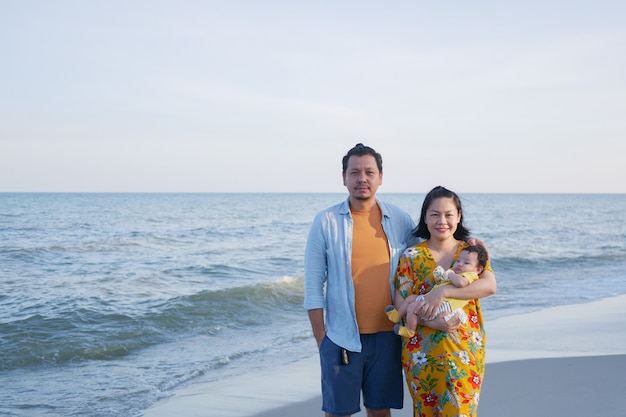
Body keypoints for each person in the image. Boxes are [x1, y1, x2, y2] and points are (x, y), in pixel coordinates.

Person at [305, 143, 431, 417]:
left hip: (387, 336)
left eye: (369, 172)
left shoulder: (398, 218)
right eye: (355, 172)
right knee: (337, 413)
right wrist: (322, 340)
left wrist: (467, 248)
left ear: (380, 177)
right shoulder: (325, 221)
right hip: (340, 338)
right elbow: (313, 287)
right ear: (344, 178)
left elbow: (430, 253)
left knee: (380, 412)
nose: (362, 178)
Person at [394, 186, 497, 417]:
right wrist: (431, 323)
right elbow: (401, 306)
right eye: (435, 214)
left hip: (465, 350)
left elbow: (489, 286)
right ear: (425, 218)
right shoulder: (411, 256)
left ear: (458, 217)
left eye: (449, 214)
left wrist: (442, 293)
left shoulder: (471, 251)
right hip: (422, 353)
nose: (442, 221)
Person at [385, 245, 488, 337]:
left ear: (478, 269)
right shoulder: (411, 254)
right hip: (432, 299)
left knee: (412, 307)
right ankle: (397, 316)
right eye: (458, 261)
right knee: (410, 299)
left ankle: (410, 330)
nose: (460, 264)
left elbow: (461, 283)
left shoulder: (470, 275)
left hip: (445, 305)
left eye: (466, 263)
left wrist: (449, 274)